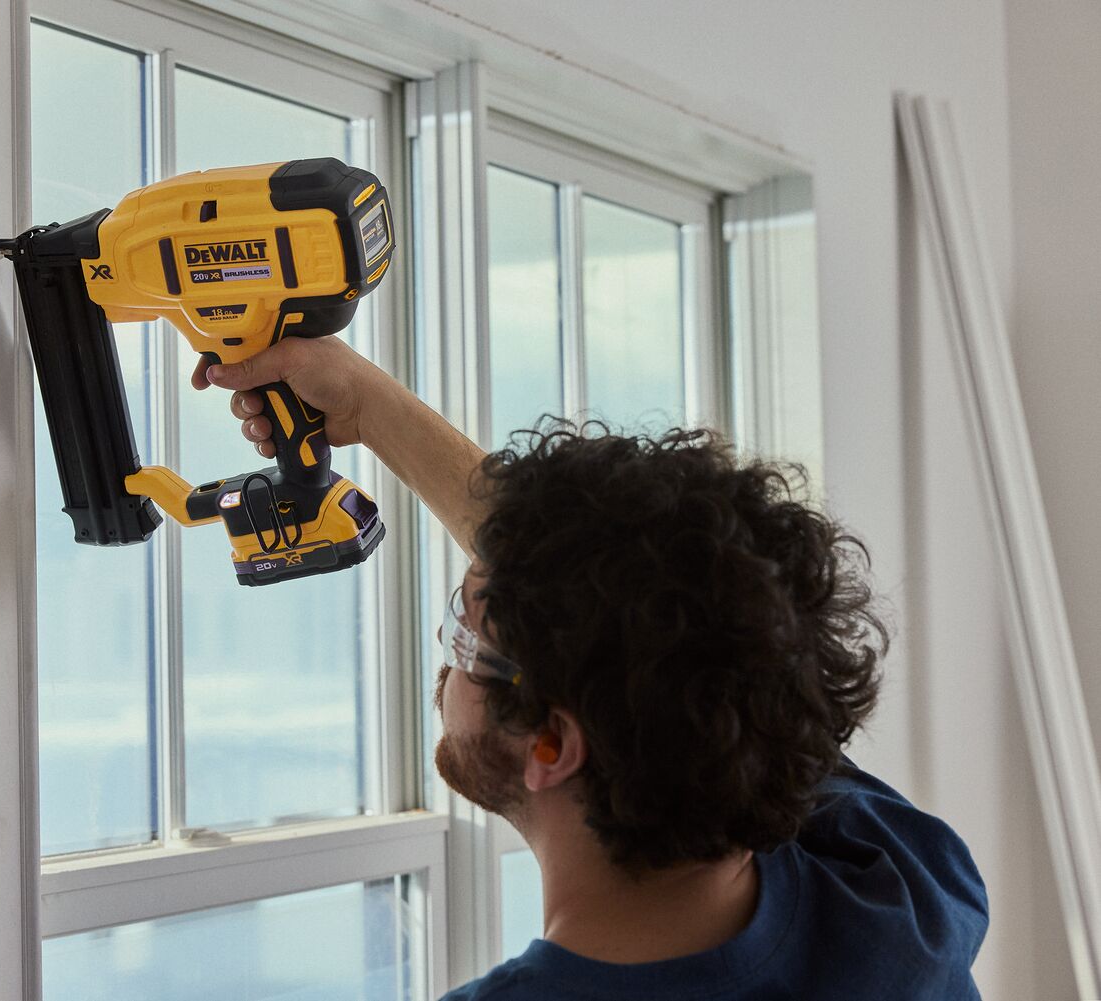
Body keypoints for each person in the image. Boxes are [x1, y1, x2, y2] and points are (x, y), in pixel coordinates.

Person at [193, 335, 988, 1000]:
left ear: (550, 744)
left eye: (460, 635)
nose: (442, 672)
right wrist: (366, 405)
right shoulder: (899, 896)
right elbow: (697, 604)